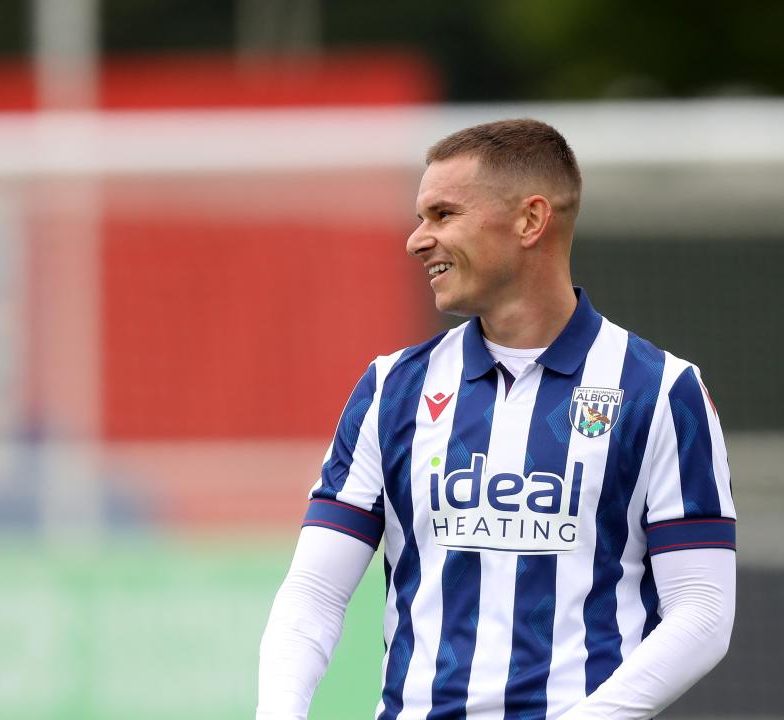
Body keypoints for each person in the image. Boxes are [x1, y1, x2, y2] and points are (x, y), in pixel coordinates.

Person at [257, 119, 736, 720]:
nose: (416, 239)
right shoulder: (392, 388)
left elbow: (703, 609)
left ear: (531, 221)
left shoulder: (662, 390)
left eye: (442, 214)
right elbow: (316, 592)